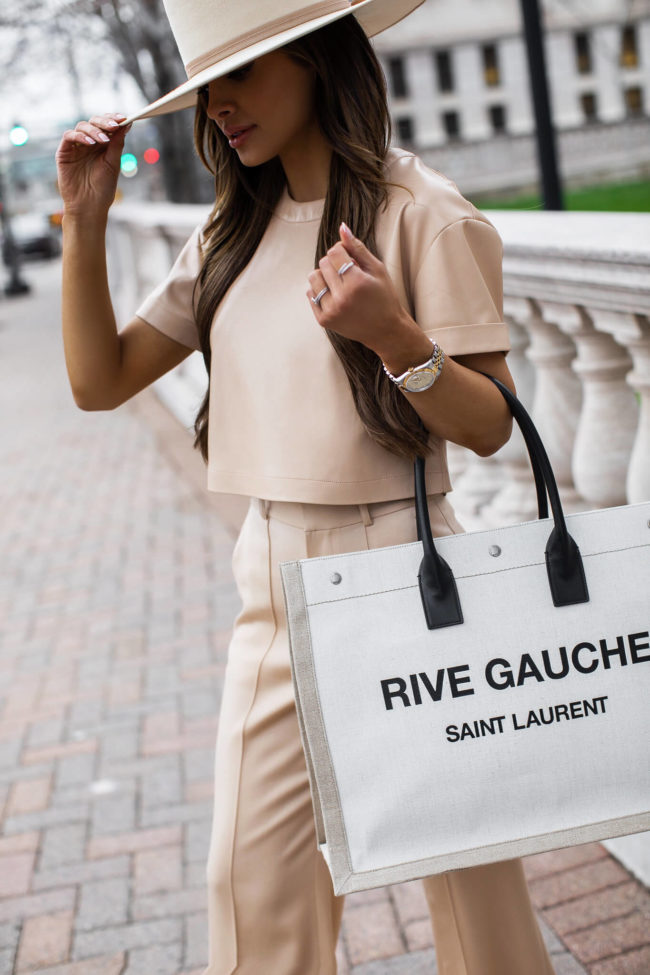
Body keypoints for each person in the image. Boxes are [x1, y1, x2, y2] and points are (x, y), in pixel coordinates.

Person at [56, 2, 557, 973]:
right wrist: (85, 225)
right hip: (274, 582)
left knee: (470, 892)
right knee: (250, 890)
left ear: (318, 63)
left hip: (408, 573)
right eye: (208, 86)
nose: (220, 106)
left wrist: (396, 340)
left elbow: (491, 425)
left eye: (241, 74)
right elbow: (98, 381)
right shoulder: (228, 235)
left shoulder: (424, 214)